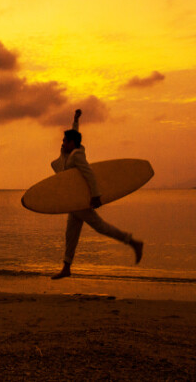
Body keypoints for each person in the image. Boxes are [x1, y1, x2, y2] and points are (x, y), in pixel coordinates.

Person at [50, 109, 143, 279]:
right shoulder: (71, 151)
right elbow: (75, 136)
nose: (62, 143)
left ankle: (133, 242)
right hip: (74, 202)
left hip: (82, 202)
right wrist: (76, 120)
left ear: (72, 143)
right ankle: (66, 268)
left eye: (65, 141)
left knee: (100, 226)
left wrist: (96, 195)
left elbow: (89, 173)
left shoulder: (77, 155)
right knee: (70, 235)